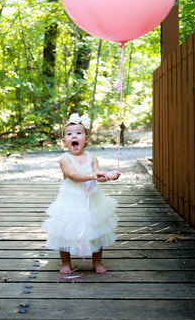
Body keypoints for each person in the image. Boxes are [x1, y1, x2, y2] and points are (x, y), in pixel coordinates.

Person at [42, 113, 120, 274]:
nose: (74, 136)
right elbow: (73, 175)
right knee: (66, 230)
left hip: (92, 201)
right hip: (70, 202)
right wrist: (92, 175)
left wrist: (108, 176)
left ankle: (96, 262)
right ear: (64, 142)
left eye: (78, 132)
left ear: (86, 138)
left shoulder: (92, 158)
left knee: (96, 229)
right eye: (69, 134)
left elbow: (98, 174)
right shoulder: (65, 159)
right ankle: (66, 263)